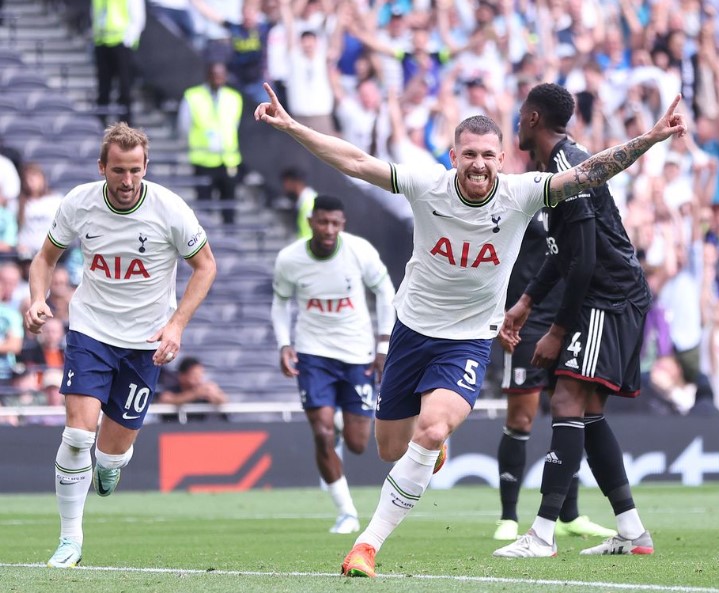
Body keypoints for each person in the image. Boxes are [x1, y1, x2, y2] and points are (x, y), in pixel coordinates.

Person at [254, 81, 684, 578]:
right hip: (412, 330)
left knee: (432, 428)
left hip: (470, 337)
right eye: (468, 155)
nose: (478, 164)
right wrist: (292, 126)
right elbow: (354, 161)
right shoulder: (427, 186)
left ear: (501, 158)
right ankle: (432, 448)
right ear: (453, 156)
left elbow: (588, 172)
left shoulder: (523, 193)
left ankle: (367, 545)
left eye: (487, 155)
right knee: (391, 449)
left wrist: (650, 138)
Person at [26, 122, 217, 568]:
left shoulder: (170, 209)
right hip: (91, 329)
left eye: (135, 170)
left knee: (110, 453)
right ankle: (70, 540)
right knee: (77, 435)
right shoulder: (79, 202)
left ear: (146, 166)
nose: (127, 180)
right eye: (118, 170)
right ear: (102, 168)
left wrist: (176, 325)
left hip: (145, 342)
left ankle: (112, 463)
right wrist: (37, 298)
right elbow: (44, 257)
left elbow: (205, 267)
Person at [492, 82, 657, 558]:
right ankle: (631, 530)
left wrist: (557, 330)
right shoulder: (559, 164)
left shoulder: (566, 165)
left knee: (566, 397)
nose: (517, 122)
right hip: (611, 295)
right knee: (587, 411)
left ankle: (541, 534)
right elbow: (561, 250)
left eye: (521, 115)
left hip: (610, 296)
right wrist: (526, 302)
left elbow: (583, 259)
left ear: (532, 119)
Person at [493, 187, 614, 544]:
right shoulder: (522, 202)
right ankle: (508, 516)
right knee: (521, 418)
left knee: (571, 414)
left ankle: (569, 515)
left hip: (570, 318)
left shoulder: (581, 206)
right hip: (529, 321)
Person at [271, 195, 396, 535]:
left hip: (357, 355)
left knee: (357, 443)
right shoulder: (290, 259)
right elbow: (280, 303)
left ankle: (340, 419)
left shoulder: (359, 252)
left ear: (343, 224)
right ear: (311, 221)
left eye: (335, 223)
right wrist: (284, 344)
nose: (328, 229)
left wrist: (383, 344)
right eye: (322, 222)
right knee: (322, 434)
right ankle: (347, 513)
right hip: (313, 355)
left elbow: (386, 292)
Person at [178, 62, 243, 225]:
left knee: (229, 206)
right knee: (204, 206)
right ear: (207, 76)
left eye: (221, 75)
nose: (218, 79)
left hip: (228, 160)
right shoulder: (193, 96)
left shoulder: (234, 97)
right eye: (215, 75)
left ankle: (229, 241)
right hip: (203, 160)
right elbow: (184, 126)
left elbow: (235, 124)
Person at [91, 0, 145, 125]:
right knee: (103, 87)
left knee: (125, 87)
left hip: (121, 42)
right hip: (102, 41)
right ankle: (101, 121)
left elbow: (138, 17)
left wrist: (128, 39)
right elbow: (95, 14)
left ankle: (125, 125)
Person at [155, 356, 228, 421]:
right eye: (194, 375)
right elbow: (165, 400)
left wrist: (214, 394)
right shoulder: (173, 388)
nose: (198, 379)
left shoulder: (204, 390)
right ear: (182, 376)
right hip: (174, 430)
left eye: (200, 375)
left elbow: (223, 401)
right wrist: (195, 394)